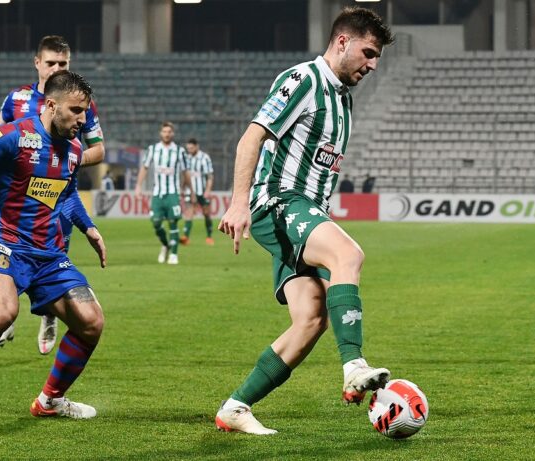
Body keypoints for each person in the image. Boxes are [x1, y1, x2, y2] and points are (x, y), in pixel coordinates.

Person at [215, 7, 395, 435]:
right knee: (348, 254)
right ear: (342, 42)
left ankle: (235, 408)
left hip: (306, 210)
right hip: (277, 200)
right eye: (368, 53)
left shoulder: (343, 99)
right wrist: (239, 202)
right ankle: (354, 366)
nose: (372, 65)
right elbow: (251, 137)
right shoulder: (303, 80)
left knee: (312, 318)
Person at [0, 70, 107, 422]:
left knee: (92, 321)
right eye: (75, 111)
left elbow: (66, 195)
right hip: (2, 240)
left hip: (47, 252)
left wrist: (88, 227)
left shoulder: (74, 150)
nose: (82, 120)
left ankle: (50, 401)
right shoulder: (14, 135)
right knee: (2, 313)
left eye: (85, 112)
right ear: (51, 105)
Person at [0, 35, 106, 354]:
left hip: (57, 193)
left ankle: (49, 315)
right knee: (12, 253)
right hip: (16, 194)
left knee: (51, 256)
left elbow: (99, 150)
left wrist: (63, 161)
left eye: (63, 63)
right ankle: (6, 313)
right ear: (37, 63)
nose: (57, 68)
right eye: (51, 62)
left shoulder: (81, 103)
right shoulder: (17, 99)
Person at [134, 121, 192, 265]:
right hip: (158, 194)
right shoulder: (153, 149)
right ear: (161, 133)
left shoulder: (179, 151)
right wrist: (138, 186)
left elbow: (185, 172)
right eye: (164, 132)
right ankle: (166, 245)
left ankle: (174, 254)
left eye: (169, 132)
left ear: (173, 134)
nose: (167, 134)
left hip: (173, 193)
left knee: (173, 222)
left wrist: (191, 190)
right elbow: (144, 167)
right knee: (156, 223)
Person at [180, 138, 215, 246]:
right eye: (188, 148)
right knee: (189, 213)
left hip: (202, 191)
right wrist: (182, 188)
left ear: (196, 146)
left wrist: (208, 190)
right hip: (190, 191)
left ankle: (209, 236)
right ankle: (186, 237)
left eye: (191, 148)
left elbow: (210, 176)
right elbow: (185, 175)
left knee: (206, 213)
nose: (189, 150)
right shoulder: (186, 158)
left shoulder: (204, 158)